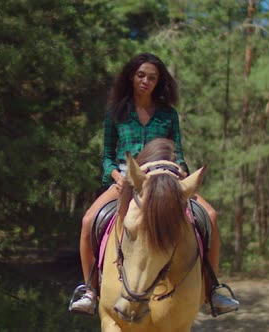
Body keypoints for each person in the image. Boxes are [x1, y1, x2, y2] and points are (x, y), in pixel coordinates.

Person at [69, 52, 239, 316]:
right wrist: (117, 177)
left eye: (152, 77)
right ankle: (90, 290)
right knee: (88, 221)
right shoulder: (115, 113)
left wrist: (179, 175)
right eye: (141, 75)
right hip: (127, 179)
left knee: (212, 216)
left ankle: (212, 290)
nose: (145, 81)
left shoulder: (168, 115)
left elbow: (179, 153)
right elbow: (106, 156)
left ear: (159, 81)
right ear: (131, 76)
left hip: (165, 180)